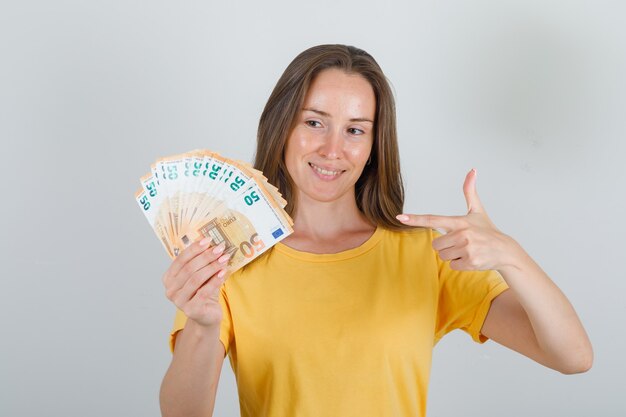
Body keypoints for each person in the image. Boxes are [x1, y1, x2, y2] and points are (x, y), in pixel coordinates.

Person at [159, 44, 593, 417]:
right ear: (282, 127)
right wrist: (199, 325)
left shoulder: (425, 255)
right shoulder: (230, 257)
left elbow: (573, 357)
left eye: (355, 130)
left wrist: (510, 255)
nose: (333, 149)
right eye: (314, 122)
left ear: (372, 147)